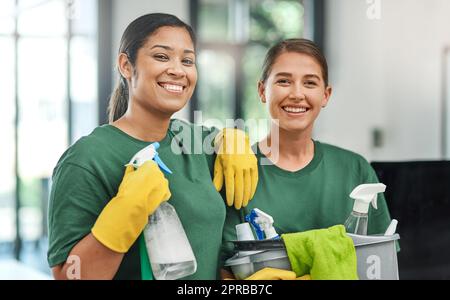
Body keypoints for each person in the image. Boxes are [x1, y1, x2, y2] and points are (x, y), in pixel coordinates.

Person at [47, 13, 257, 280]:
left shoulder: (197, 144)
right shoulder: (87, 159)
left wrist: (235, 137)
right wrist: (124, 214)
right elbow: (68, 275)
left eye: (188, 60)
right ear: (126, 65)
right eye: (161, 56)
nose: (178, 70)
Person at [221, 38, 397, 279]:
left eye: (310, 83)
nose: (297, 94)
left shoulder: (355, 170)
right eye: (284, 81)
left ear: (326, 95)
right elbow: (224, 271)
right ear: (263, 91)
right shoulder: (237, 170)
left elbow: (381, 263)